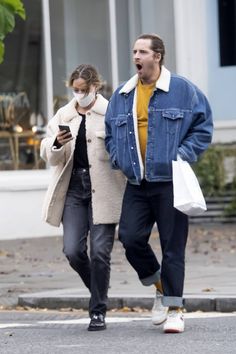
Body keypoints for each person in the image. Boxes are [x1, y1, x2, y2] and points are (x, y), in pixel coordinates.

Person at [105, 33, 213, 333]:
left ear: (158, 56)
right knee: (129, 238)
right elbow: (111, 134)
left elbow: (203, 127)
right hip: (137, 183)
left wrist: (181, 154)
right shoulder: (123, 95)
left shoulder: (182, 90)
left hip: (170, 182)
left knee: (172, 247)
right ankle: (160, 286)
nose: (136, 56)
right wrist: (119, 159)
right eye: (134, 51)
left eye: (142, 51)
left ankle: (176, 307)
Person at [40, 64, 125, 331]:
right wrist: (56, 142)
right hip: (74, 188)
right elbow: (47, 152)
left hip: (104, 188)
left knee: (100, 252)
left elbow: (123, 149)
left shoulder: (111, 112)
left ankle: (97, 311)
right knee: (73, 251)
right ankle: (99, 291)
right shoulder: (64, 114)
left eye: (83, 90)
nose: (79, 94)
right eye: (75, 90)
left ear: (95, 87)